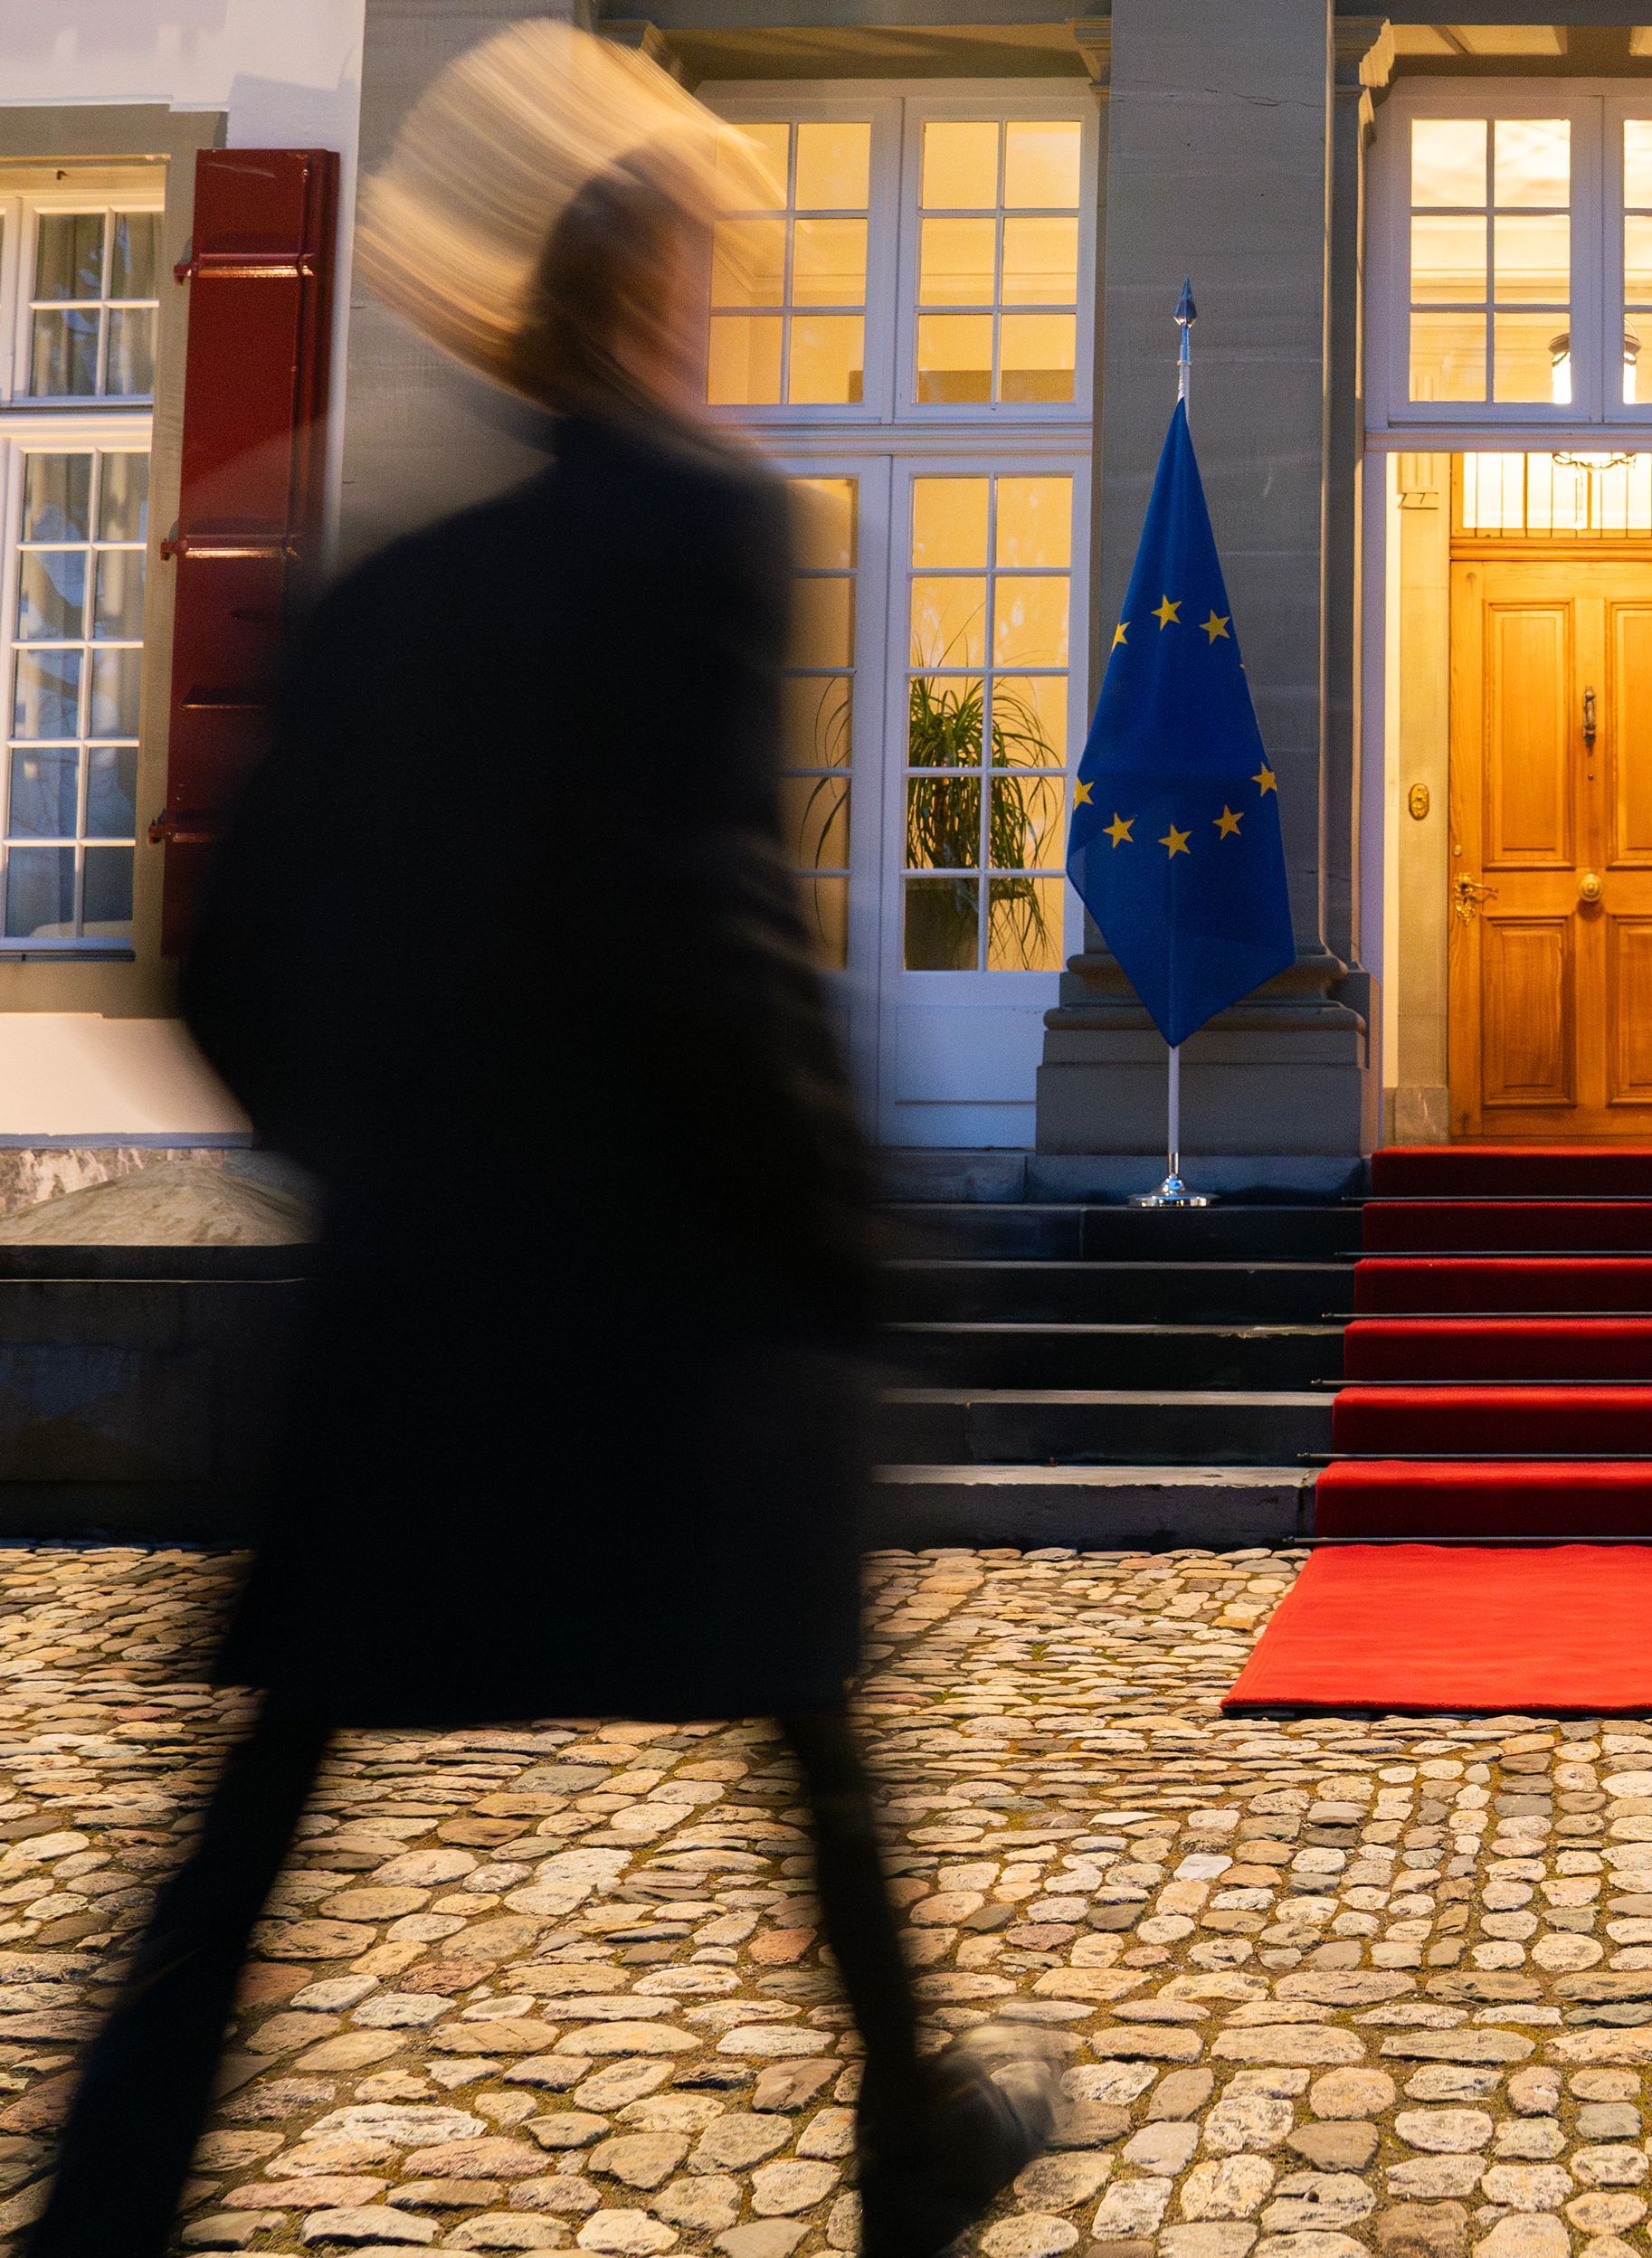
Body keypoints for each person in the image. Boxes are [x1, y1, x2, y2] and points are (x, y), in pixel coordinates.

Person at [26, 28, 1056, 2258]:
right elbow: (701, 912)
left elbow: (222, 964)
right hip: (655, 1298)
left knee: (269, 1797)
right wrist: (828, 1222)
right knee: (799, 1701)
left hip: (410, 1310)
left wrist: (390, 1159)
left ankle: (105, 2201)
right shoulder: (702, 519)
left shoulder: (369, 561)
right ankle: (910, 2112)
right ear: (660, 269)